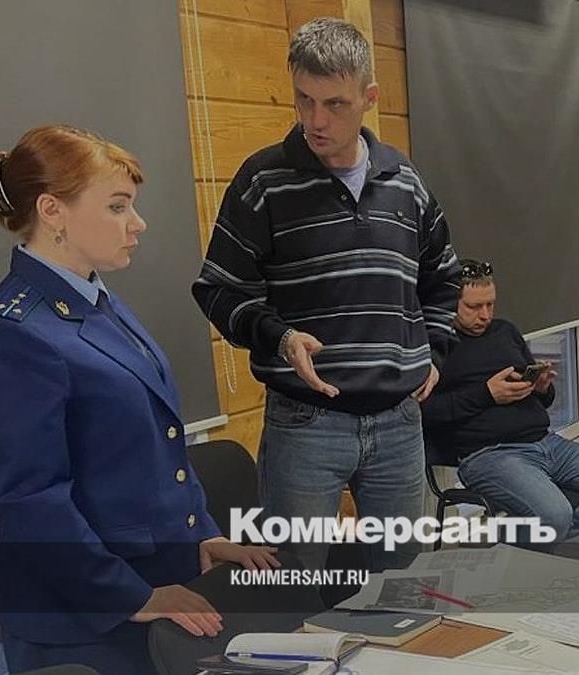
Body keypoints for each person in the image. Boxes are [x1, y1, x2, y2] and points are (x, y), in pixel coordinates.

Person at [0, 124, 279, 674]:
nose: (138, 223)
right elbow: (32, 500)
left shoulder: (93, 298)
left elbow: (154, 445)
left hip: (156, 583)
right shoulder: (11, 332)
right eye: (116, 206)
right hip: (90, 617)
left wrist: (201, 536)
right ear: (52, 211)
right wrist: (131, 596)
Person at [191, 19, 460, 571]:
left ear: (369, 98)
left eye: (335, 103)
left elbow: (443, 276)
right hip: (304, 424)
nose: (316, 120)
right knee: (293, 581)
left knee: (402, 580)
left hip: (399, 422)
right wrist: (279, 336)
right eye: (304, 100)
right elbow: (218, 289)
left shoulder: (404, 180)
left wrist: (435, 350)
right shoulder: (263, 180)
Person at [421, 260, 579, 547]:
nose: (485, 315)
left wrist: (541, 388)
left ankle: (513, 541)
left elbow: (544, 401)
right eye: (473, 307)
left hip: (546, 443)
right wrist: (487, 394)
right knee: (554, 516)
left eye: (490, 304)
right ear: (450, 303)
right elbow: (424, 413)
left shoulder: (505, 331)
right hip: (488, 455)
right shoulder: (433, 345)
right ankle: (533, 540)